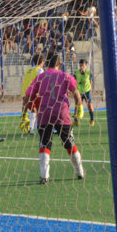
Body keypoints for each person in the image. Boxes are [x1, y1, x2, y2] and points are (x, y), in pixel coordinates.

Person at [24, 51, 85, 184]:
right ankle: (79, 171)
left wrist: (26, 113)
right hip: (61, 114)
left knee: (44, 143)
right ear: (59, 63)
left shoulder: (40, 77)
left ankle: (44, 176)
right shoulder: (66, 76)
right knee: (69, 142)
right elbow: (76, 92)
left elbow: (27, 96)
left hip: (45, 114)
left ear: (46, 63)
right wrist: (79, 107)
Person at [20, 53, 45, 135]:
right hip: (35, 94)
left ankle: (33, 128)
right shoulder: (40, 70)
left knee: (36, 110)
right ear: (42, 61)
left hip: (25, 94)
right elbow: (43, 82)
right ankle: (35, 128)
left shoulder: (28, 70)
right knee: (40, 110)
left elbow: (25, 82)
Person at [74, 59, 95, 126]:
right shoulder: (76, 73)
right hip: (79, 92)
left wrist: (90, 90)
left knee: (90, 106)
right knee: (77, 106)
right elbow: (73, 81)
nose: (81, 67)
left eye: (83, 65)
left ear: (86, 66)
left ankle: (92, 120)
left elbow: (91, 81)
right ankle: (76, 120)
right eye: (80, 65)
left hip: (87, 91)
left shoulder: (89, 73)